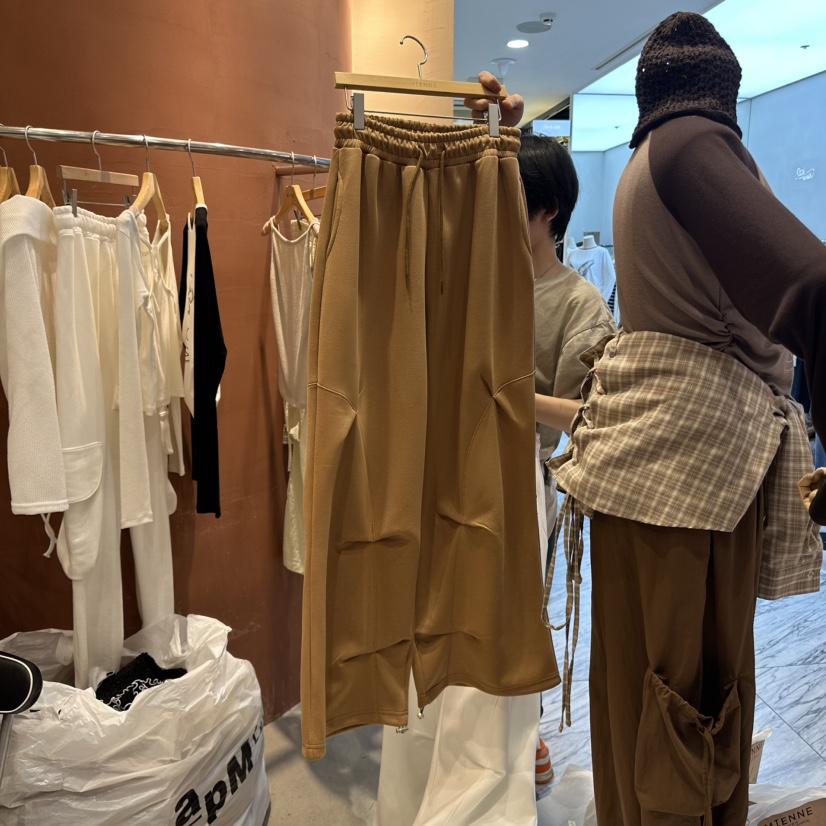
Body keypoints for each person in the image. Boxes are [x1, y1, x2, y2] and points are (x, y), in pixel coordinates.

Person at [467, 11, 826, 825]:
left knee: (645, 696)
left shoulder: (648, 159)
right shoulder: (694, 145)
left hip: (657, 464)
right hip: (699, 468)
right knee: (688, 711)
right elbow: (811, 288)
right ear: (718, 85)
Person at [520, 133, 617, 798]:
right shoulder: (479, 280)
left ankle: (524, 738)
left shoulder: (579, 303)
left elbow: (590, 415)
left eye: (509, 200)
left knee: (516, 622)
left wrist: (510, 397)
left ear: (547, 209)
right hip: (453, 473)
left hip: (522, 482)